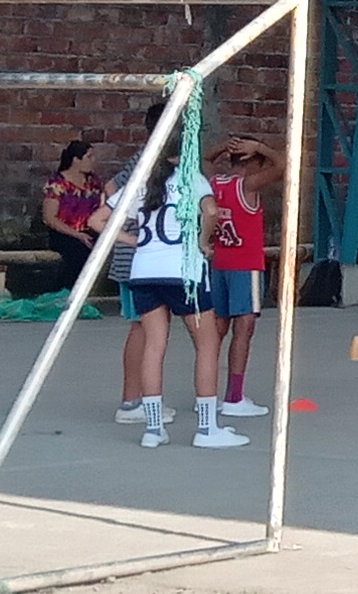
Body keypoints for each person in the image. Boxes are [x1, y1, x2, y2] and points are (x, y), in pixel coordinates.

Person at [120, 150, 203, 450]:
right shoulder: (191, 180)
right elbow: (211, 211)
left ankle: (153, 428)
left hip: (144, 269)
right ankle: (208, 426)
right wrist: (203, 242)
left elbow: (98, 218)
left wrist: (135, 240)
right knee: (207, 343)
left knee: (153, 346)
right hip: (180, 269)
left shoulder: (142, 183)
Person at [202, 139, 274, 423]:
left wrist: (224, 145)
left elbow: (204, 160)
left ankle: (206, 394)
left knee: (216, 331)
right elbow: (285, 165)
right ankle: (234, 396)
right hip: (246, 266)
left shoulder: (215, 183)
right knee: (243, 330)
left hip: (220, 264)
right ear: (252, 163)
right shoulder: (248, 186)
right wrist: (261, 147)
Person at [41, 139, 105, 279]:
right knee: (79, 253)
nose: (93, 161)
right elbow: (49, 218)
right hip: (65, 233)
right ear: (76, 160)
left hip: (90, 231)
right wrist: (77, 235)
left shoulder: (93, 182)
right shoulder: (57, 183)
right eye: (89, 157)